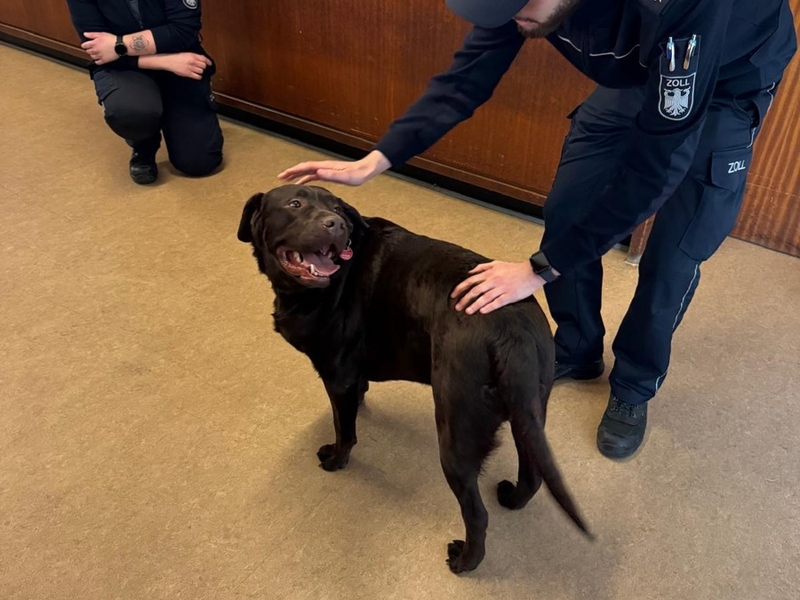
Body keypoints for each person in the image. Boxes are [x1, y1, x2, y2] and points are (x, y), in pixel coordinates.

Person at [277, 0, 797, 459]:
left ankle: (634, 386)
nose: (505, 16)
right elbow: (466, 78)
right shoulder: (520, 4)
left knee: (673, 257)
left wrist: (538, 271)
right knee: (568, 212)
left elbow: (657, 166)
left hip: (727, 77)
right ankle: (578, 345)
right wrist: (377, 158)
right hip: (643, 64)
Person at [66, 0, 224, 184]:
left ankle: (174, 115)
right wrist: (164, 61)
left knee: (200, 162)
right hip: (129, 68)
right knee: (131, 111)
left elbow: (183, 31)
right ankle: (144, 143)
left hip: (181, 60)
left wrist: (117, 45)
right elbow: (98, 51)